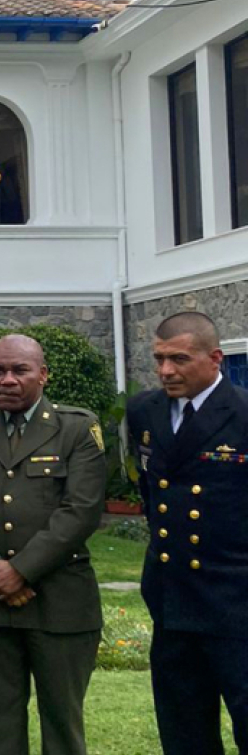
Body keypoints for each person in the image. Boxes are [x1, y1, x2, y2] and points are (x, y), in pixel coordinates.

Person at [0, 334, 106, 755]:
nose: (7, 380)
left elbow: (81, 511)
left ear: (43, 375)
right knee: (1, 724)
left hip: (60, 600)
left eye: (20, 370)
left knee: (62, 723)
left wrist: (21, 571)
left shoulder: (77, 428)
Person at [126, 311, 248, 754]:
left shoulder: (242, 412)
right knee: (183, 733)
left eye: (178, 359)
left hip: (236, 603)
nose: (165, 371)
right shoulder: (144, 409)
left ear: (214, 358)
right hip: (173, 599)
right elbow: (150, 489)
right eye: (159, 359)